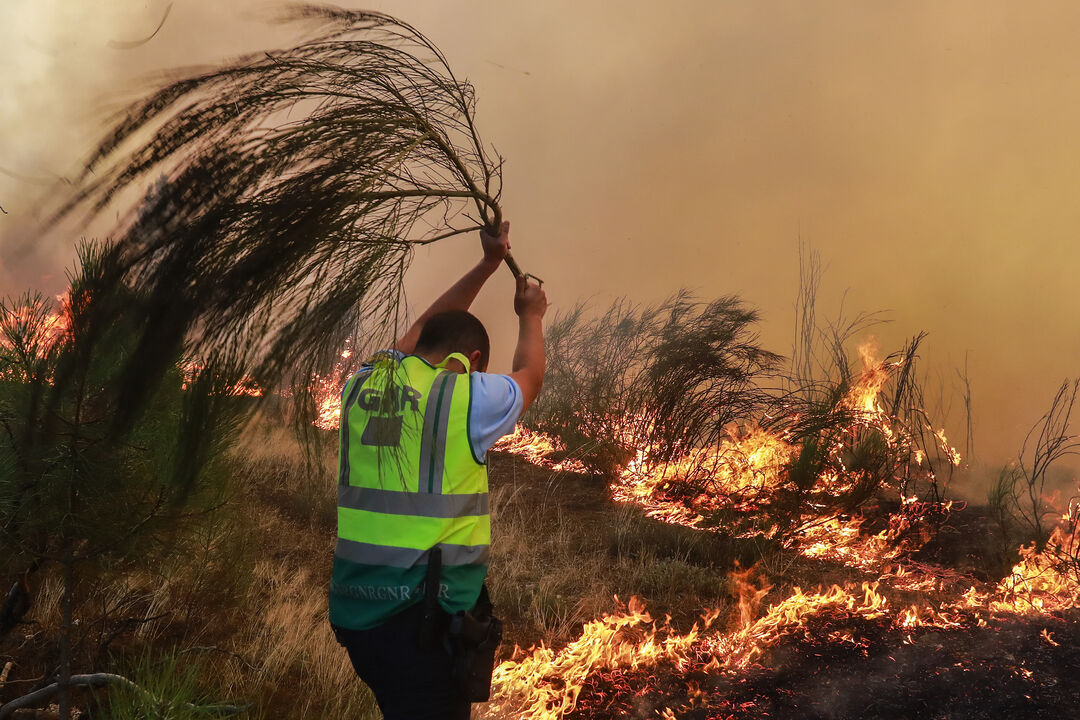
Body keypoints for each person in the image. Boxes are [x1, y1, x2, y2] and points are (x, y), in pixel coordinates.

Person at [329, 220, 547, 719]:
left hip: (356, 616)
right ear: (471, 361)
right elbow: (530, 377)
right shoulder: (463, 396)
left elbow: (417, 335)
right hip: (418, 626)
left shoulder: (364, 383)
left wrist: (488, 265)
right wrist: (531, 315)